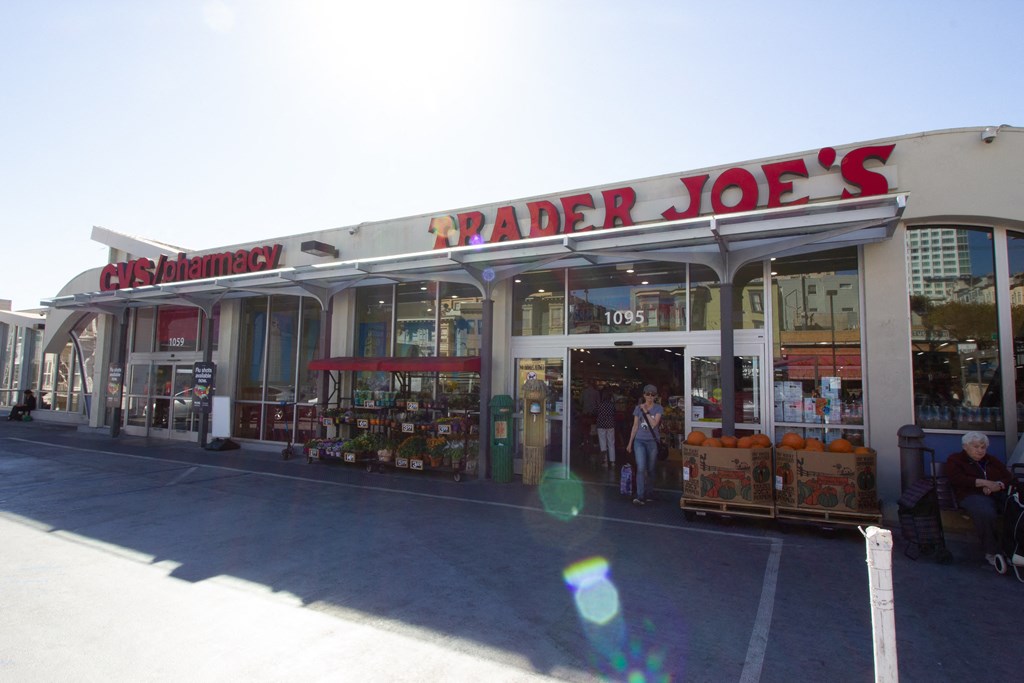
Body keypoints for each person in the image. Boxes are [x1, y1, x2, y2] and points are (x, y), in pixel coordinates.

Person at [946, 431, 1013, 566]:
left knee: (1015, 509)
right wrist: (983, 482)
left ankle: (1013, 550)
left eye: (983, 447)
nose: (980, 451)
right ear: (965, 446)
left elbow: (1009, 477)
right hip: (970, 495)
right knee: (985, 512)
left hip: (996, 494)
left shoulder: (990, 460)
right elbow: (956, 478)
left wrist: (998, 485)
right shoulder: (956, 460)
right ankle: (992, 552)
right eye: (976, 447)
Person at [627, 383, 663, 506]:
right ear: (643, 395)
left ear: (656, 396)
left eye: (652, 394)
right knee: (641, 467)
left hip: (652, 441)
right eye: (647, 394)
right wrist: (630, 442)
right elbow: (635, 426)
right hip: (639, 441)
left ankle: (649, 492)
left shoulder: (658, 408)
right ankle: (640, 495)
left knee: (651, 468)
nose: (650, 397)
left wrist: (646, 411)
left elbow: (654, 424)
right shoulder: (638, 408)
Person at [596, 388, 617, 470]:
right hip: (610, 424)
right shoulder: (612, 405)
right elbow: (614, 412)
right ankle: (612, 461)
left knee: (602, 443)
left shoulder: (600, 404)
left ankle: (605, 461)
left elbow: (596, 412)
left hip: (601, 425)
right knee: (611, 443)